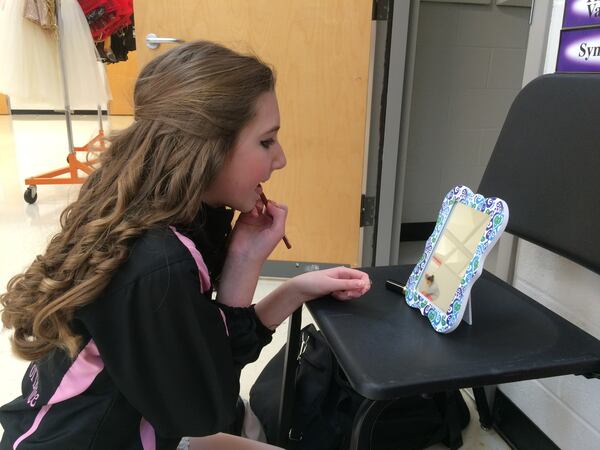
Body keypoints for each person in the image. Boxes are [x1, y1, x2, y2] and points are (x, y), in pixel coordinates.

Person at [0, 41, 371, 450]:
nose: (279, 159)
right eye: (266, 142)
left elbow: (203, 352)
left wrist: (287, 285)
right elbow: (206, 409)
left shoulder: (168, 214)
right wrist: (244, 263)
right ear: (208, 148)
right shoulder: (158, 263)